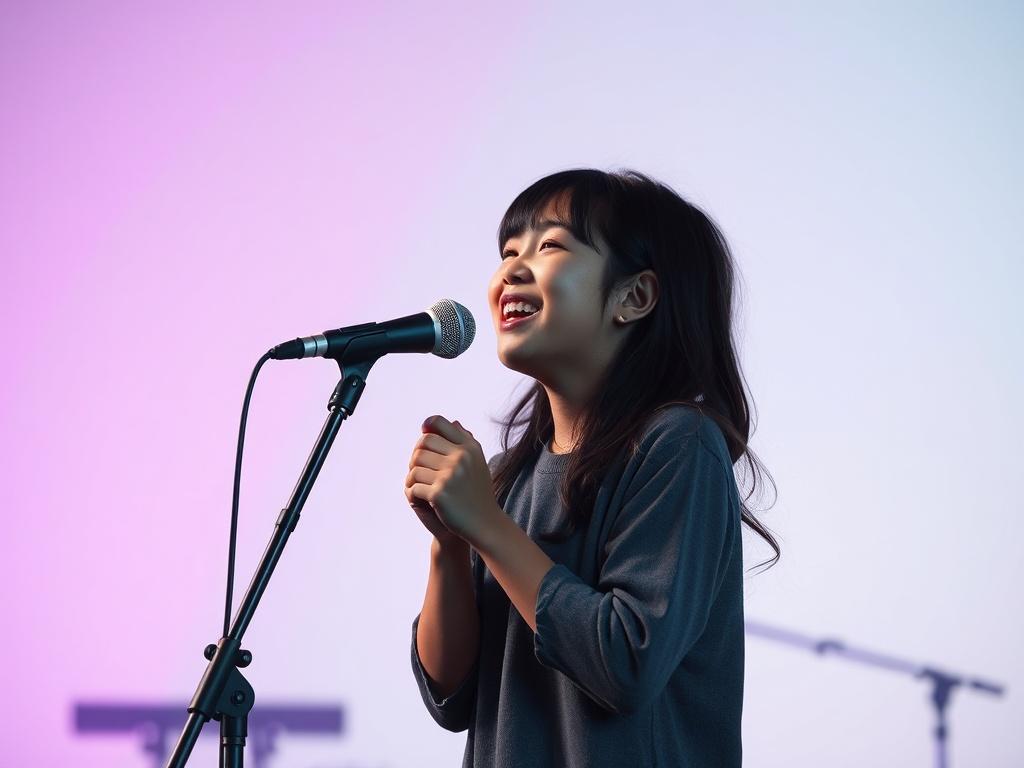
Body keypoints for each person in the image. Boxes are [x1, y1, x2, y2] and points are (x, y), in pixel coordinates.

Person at [404, 168, 779, 767]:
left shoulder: (677, 443)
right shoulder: (506, 477)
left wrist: (486, 525)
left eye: (549, 245)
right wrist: (450, 544)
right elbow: (452, 695)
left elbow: (626, 663)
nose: (513, 268)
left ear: (633, 297)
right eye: (508, 250)